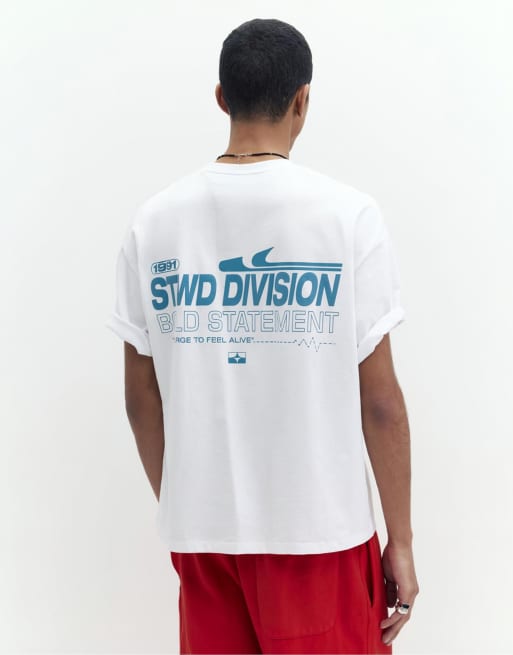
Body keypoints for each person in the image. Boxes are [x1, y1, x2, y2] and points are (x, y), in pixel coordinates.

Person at [105, 17, 419, 655]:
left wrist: (190, 503)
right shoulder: (347, 217)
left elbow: (140, 398)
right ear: (303, 100)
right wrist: (403, 540)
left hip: (203, 540)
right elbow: (381, 402)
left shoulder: (154, 223)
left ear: (222, 97)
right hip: (319, 535)